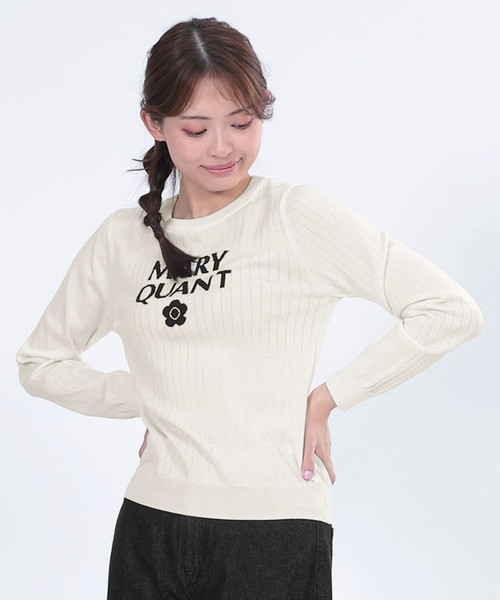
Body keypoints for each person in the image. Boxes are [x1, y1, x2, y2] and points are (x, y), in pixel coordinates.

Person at [15, 16, 484, 600]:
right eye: (196, 129)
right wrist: (152, 397)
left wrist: (329, 396)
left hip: (274, 529)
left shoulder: (295, 216)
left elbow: (447, 309)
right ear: (154, 124)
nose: (223, 147)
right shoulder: (122, 238)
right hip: (150, 524)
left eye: (241, 123)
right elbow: (41, 363)